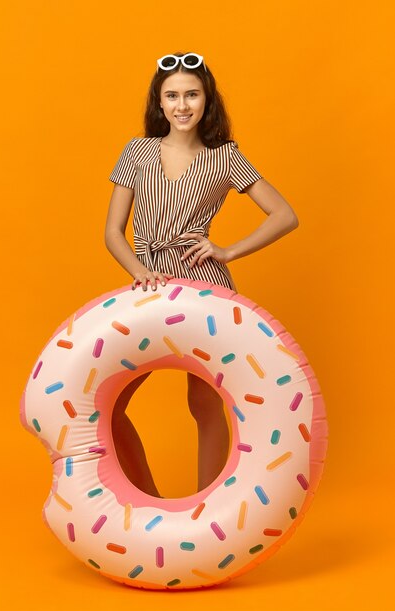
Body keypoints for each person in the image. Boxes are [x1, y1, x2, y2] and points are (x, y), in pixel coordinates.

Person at [105, 51, 299, 498]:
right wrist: (140, 271)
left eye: (192, 94)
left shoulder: (226, 156)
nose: (182, 105)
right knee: (111, 405)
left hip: (204, 289)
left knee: (205, 404)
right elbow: (113, 231)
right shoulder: (136, 151)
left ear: (208, 100)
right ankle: (148, 503)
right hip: (147, 287)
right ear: (159, 102)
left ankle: (206, 512)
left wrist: (227, 251)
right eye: (172, 95)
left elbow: (284, 215)